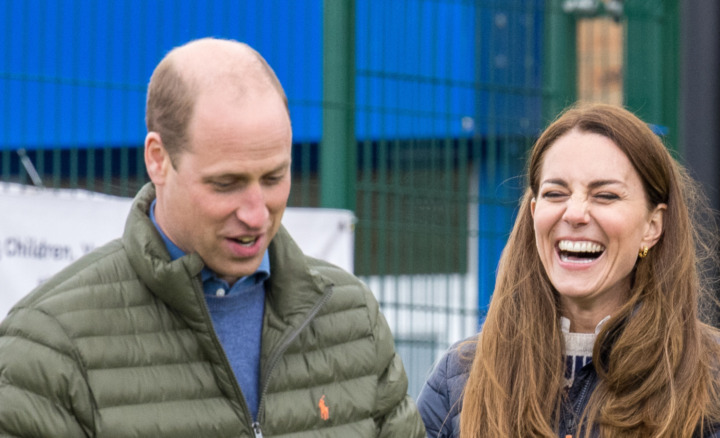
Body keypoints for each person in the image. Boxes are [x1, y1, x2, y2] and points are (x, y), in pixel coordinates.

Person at [0, 37, 424, 437]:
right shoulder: (49, 345)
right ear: (158, 160)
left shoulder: (351, 318)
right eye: (226, 183)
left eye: (274, 177)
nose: (257, 213)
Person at [417, 102, 720, 438]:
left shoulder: (719, 376)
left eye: (605, 196)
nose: (574, 214)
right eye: (555, 193)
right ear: (533, 213)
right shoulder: (459, 376)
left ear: (653, 224)